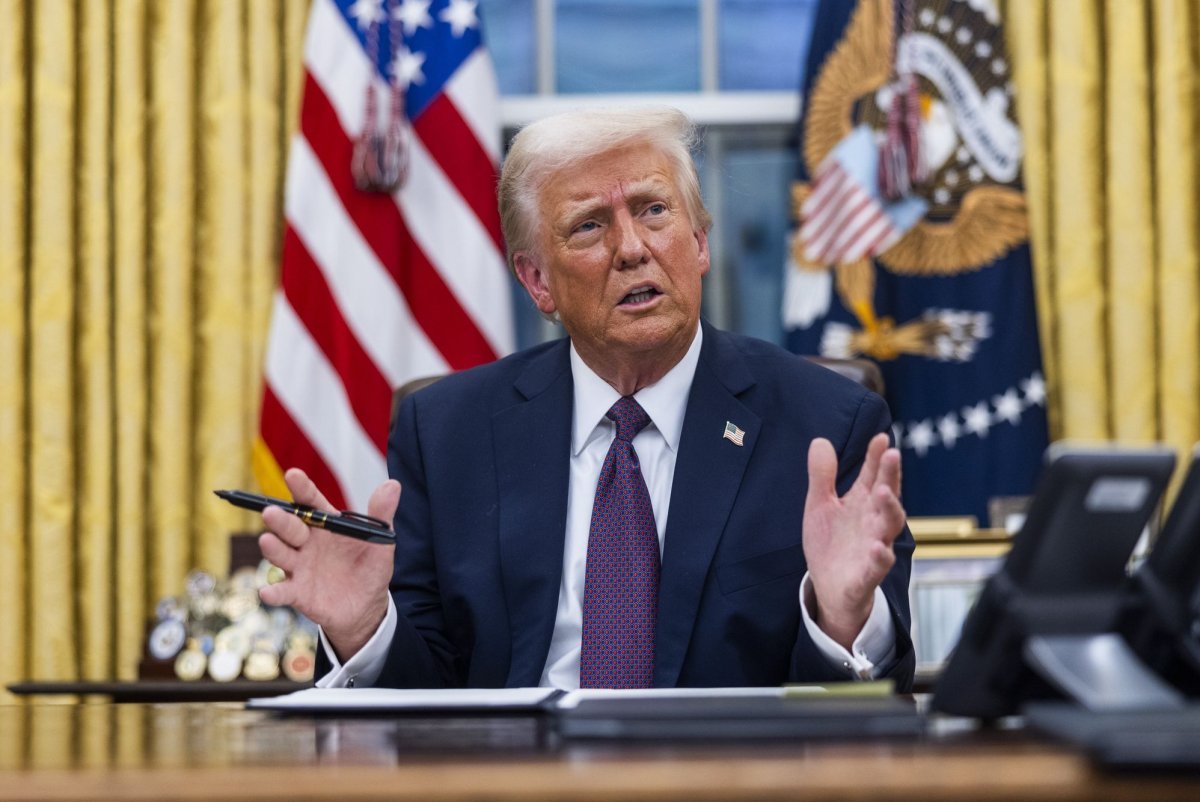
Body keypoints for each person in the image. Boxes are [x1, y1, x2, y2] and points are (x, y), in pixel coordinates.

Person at [258, 106, 915, 690]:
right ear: (537, 281)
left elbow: (852, 715)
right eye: (589, 226)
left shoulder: (827, 425)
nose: (632, 249)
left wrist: (841, 617)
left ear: (700, 242)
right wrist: (363, 630)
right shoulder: (447, 434)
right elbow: (428, 705)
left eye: (654, 210)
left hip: (725, 771)